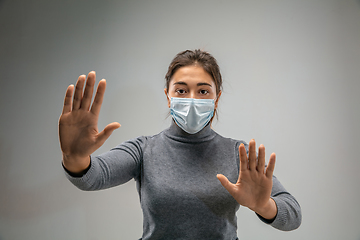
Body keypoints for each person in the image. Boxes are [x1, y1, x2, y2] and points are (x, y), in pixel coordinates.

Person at [59, 49, 302, 239]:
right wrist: (74, 157)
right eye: (182, 90)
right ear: (168, 96)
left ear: (217, 98)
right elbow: (93, 177)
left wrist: (264, 206)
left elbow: (292, 214)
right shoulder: (143, 150)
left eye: (203, 91)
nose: (192, 100)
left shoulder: (238, 154)